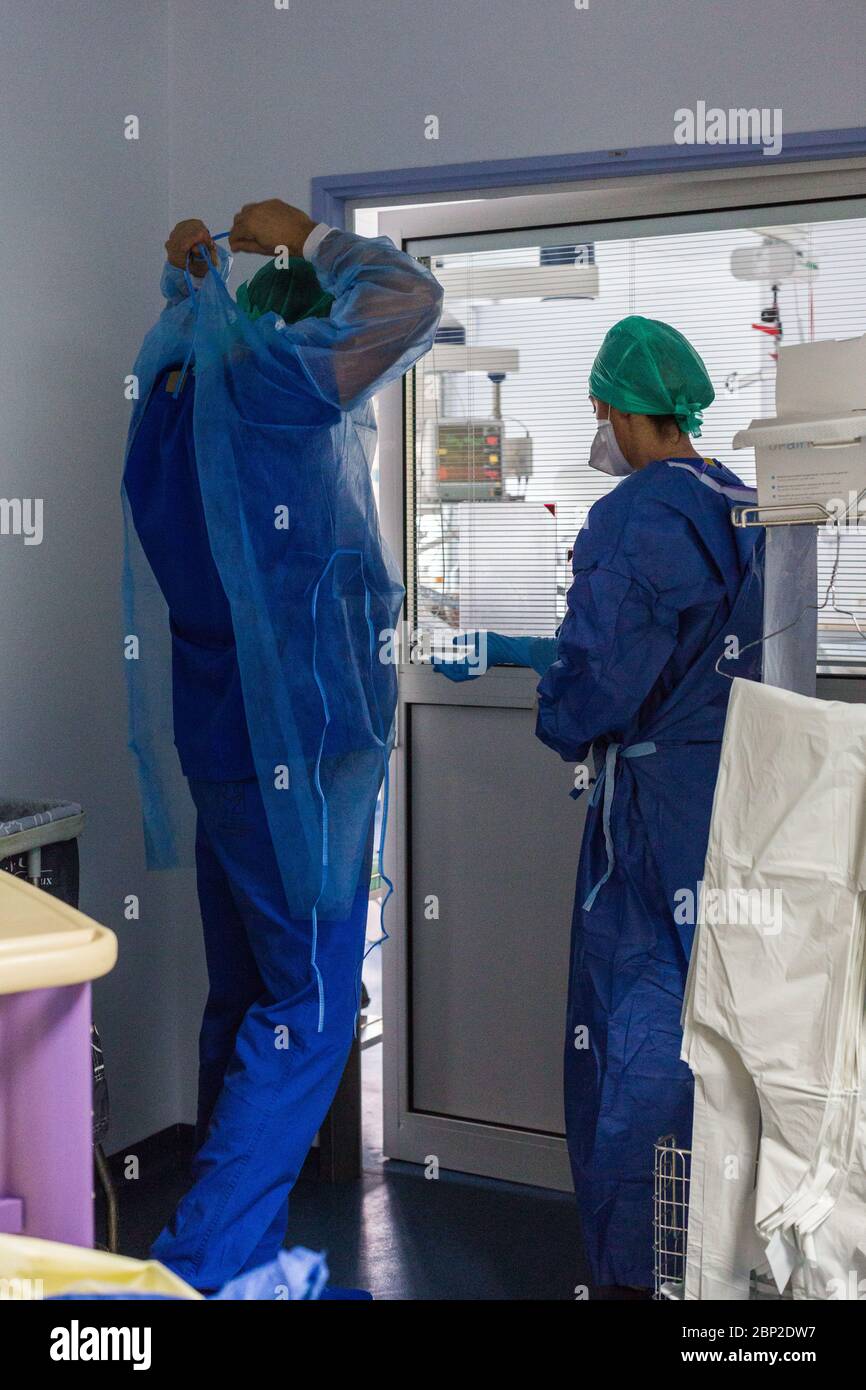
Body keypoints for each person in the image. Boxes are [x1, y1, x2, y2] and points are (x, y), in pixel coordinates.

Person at [123, 201, 443, 1292]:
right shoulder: (271, 390)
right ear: (293, 332)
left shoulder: (173, 394)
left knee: (244, 991)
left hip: (221, 742)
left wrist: (197, 276)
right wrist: (306, 236)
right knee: (308, 1004)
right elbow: (408, 299)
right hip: (294, 758)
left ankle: (235, 1240)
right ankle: (204, 1260)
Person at [435, 316, 764, 1294]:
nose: (598, 429)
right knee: (724, 1036)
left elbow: (596, 688)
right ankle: (718, 1262)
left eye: (598, 411)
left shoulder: (635, 516)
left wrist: (549, 688)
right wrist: (518, 648)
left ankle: (636, 1270)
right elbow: (683, 645)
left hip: (656, 818)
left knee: (633, 1036)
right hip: (738, 801)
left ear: (624, 412)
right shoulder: (738, 501)